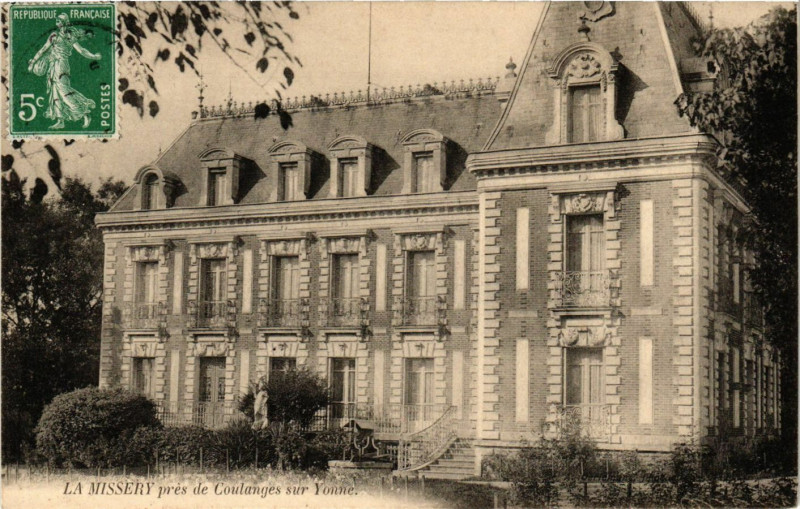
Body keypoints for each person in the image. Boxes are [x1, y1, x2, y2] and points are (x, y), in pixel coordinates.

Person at [27, 13, 101, 129]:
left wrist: (93, 56)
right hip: (53, 65)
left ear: (65, 22)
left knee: (64, 91)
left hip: (62, 65)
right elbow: (43, 49)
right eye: (56, 20)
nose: (57, 21)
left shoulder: (70, 36)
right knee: (55, 91)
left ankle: (84, 113)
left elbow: (81, 50)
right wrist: (33, 62)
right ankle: (60, 120)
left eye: (59, 20)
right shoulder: (54, 36)